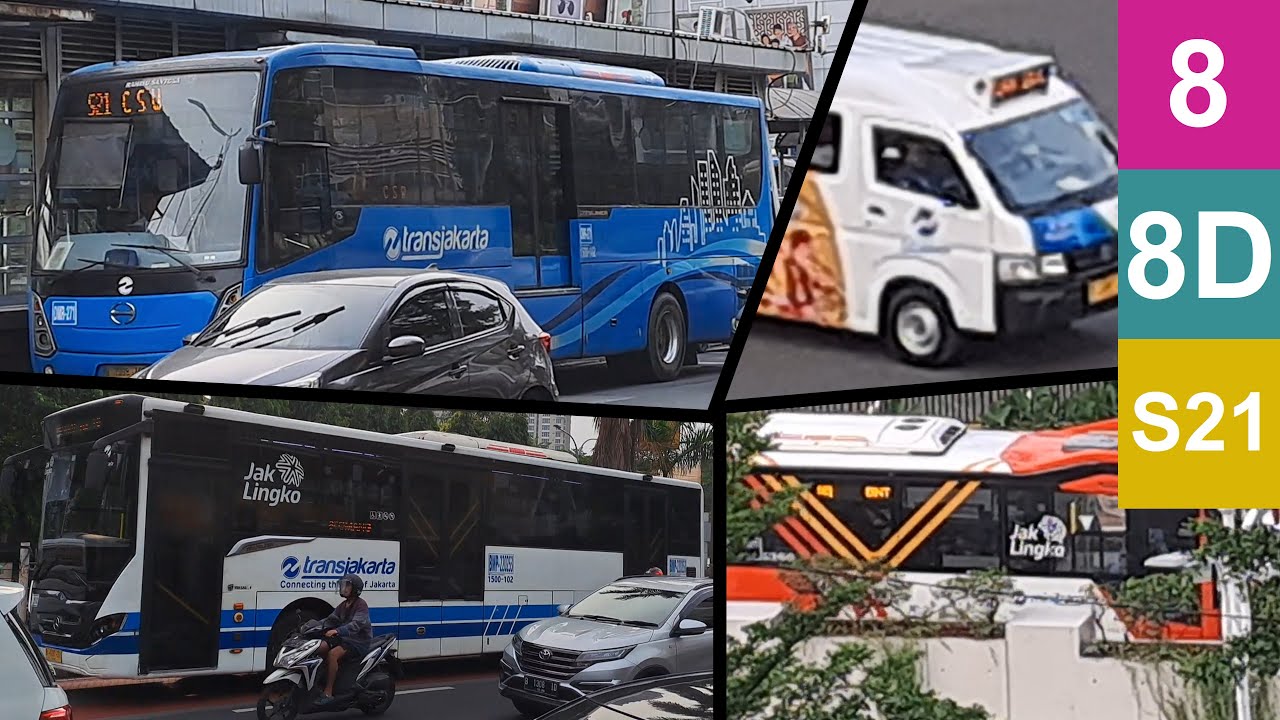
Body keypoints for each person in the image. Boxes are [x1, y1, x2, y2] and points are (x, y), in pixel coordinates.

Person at [314, 574, 372, 706]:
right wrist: (314, 626)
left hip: (358, 642)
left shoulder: (361, 605)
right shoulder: (344, 605)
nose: (343, 588)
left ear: (355, 589)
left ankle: (328, 693)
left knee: (332, 654)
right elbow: (330, 619)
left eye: (347, 586)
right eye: (343, 585)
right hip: (345, 639)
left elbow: (356, 625)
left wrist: (337, 631)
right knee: (320, 647)